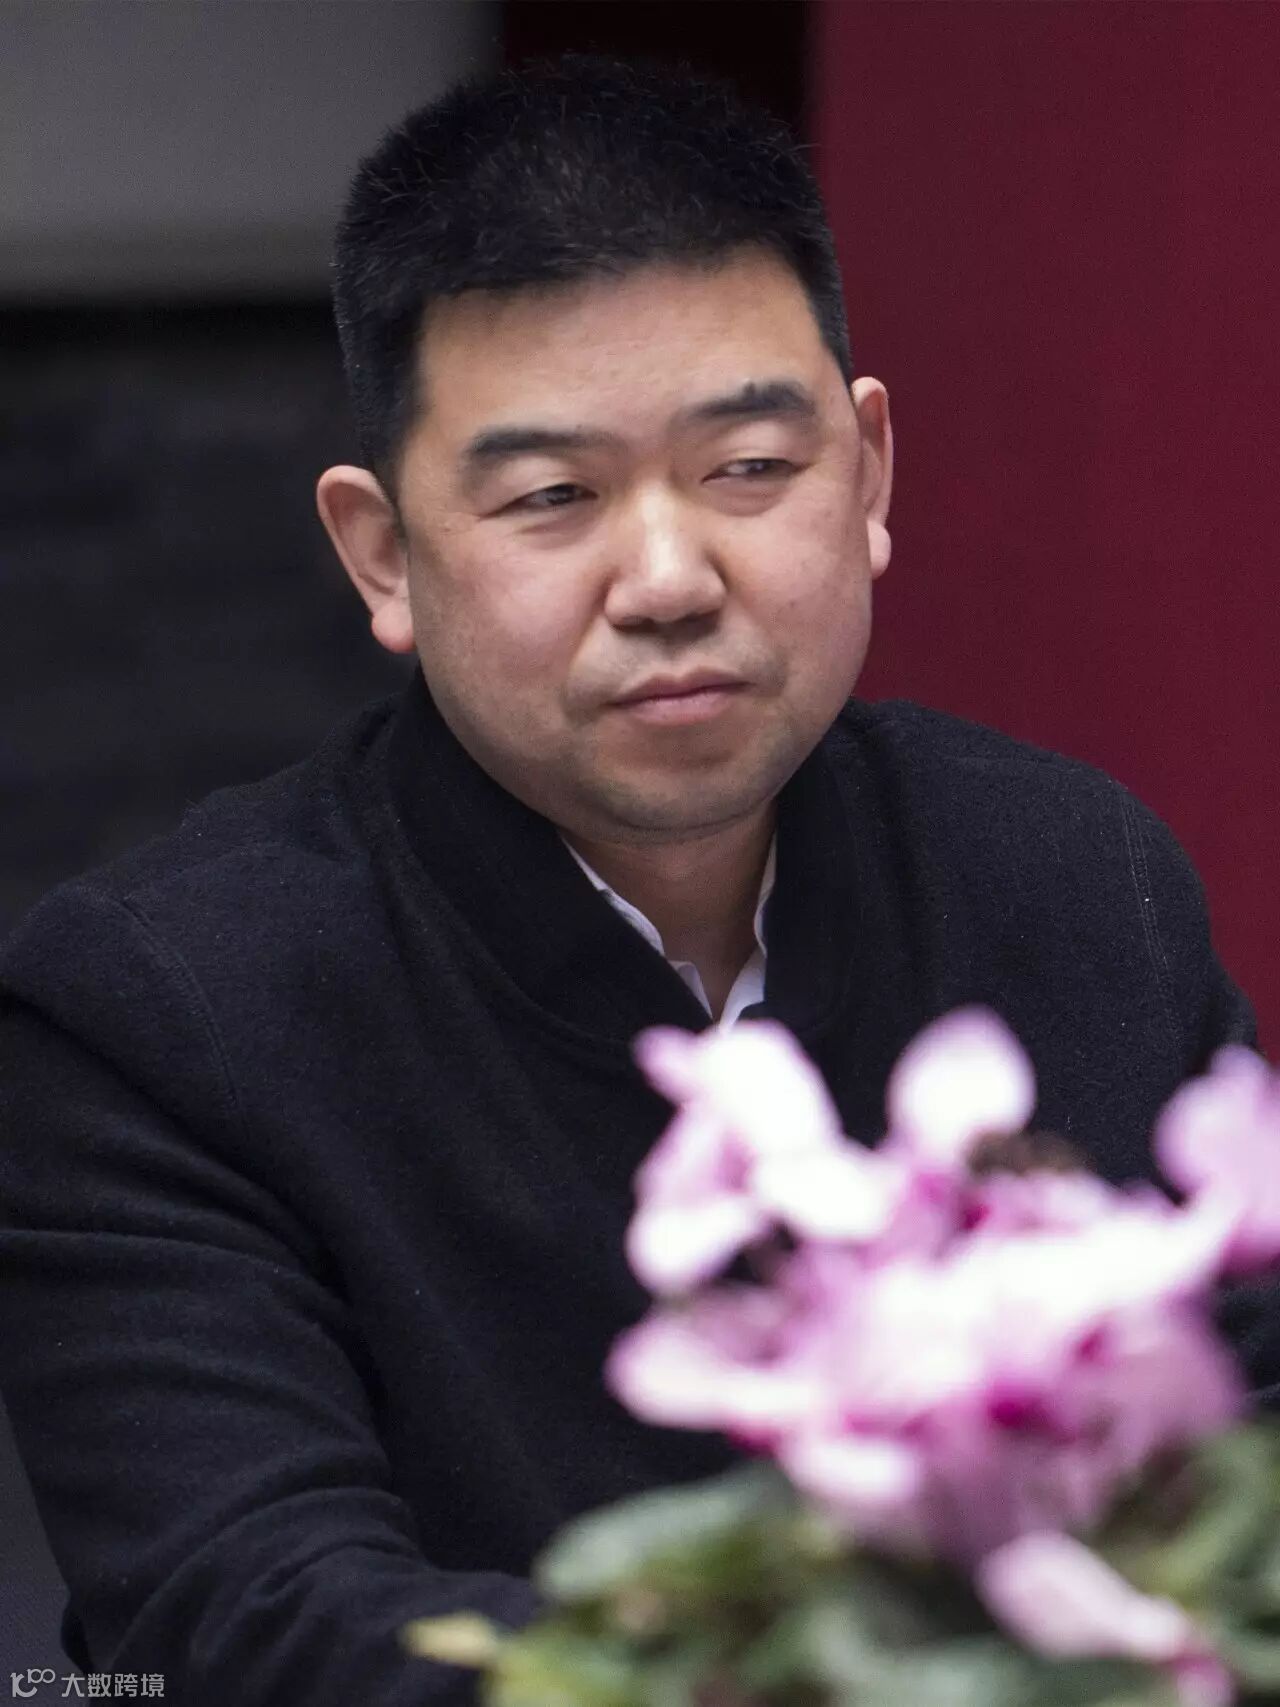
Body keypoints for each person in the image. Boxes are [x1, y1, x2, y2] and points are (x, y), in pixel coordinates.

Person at [0, 52, 1262, 1707]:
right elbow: (253, 1624)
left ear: (869, 474)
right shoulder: (157, 1015)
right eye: (553, 498)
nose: (669, 578)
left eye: (751, 468)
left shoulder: (1076, 877)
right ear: (382, 554)